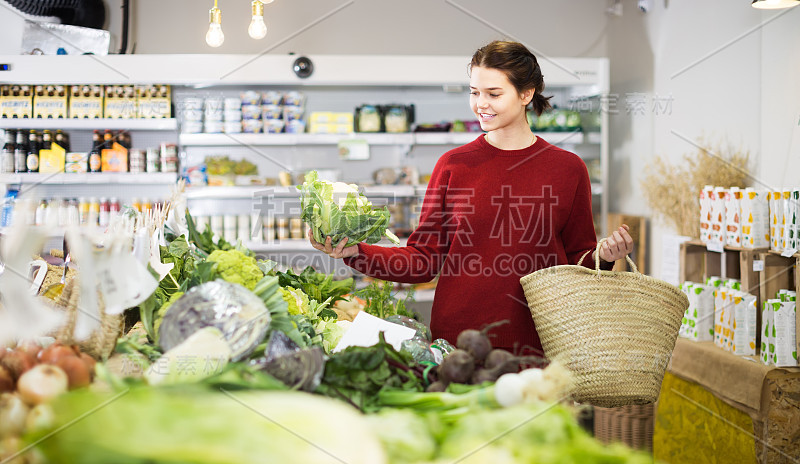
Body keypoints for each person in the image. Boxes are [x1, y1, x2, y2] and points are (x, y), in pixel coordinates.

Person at [309, 40, 633, 354]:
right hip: (458, 342)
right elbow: (423, 259)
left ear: (526, 93)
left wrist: (605, 255)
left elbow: (578, 262)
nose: (481, 103)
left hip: (539, 341)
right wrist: (355, 251)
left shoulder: (567, 168)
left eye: (494, 93)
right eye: (474, 92)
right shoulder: (453, 166)